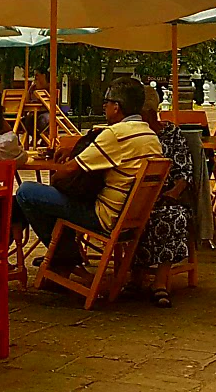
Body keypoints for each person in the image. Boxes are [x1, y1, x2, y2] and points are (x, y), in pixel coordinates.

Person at [16, 77, 161, 276]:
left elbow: (69, 169)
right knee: (57, 199)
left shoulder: (117, 134)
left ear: (116, 107)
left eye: (107, 102)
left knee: (27, 192)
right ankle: (63, 258)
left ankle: (63, 258)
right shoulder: (150, 136)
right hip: (130, 218)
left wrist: (52, 175)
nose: (104, 106)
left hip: (103, 217)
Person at [134, 87, 193, 308]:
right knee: (129, 213)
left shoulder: (172, 134)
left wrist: (170, 195)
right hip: (138, 196)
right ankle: (134, 275)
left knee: (172, 216)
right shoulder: (133, 135)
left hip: (166, 197)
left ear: (148, 113)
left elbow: (185, 174)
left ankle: (160, 281)